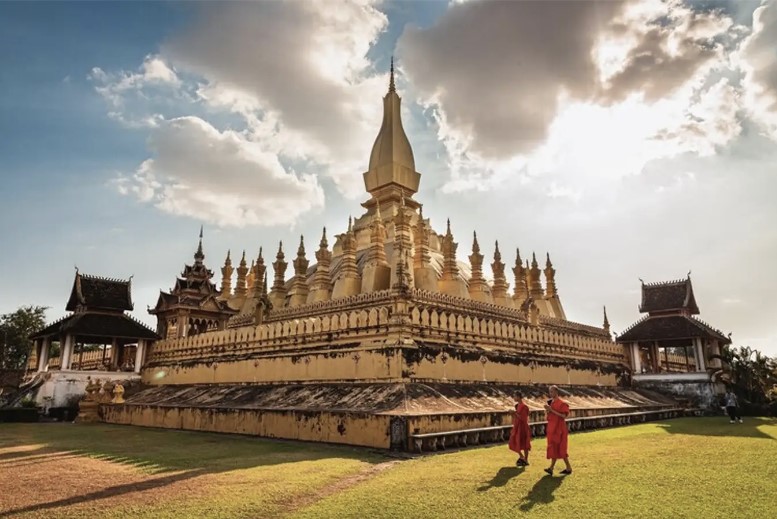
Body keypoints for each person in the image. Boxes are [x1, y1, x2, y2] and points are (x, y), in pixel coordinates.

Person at [544, 385, 572, 476]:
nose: (550, 393)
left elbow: (564, 416)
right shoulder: (551, 403)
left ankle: (568, 467)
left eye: (552, 391)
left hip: (560, 429)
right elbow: (548, 416)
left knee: (561, 448)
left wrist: (552, 410)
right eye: (549, 392)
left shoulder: (562, 403)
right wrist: (548, 410)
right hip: (552, 428)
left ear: (556, 392)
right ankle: (551, 468)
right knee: (554, 447)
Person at [509, 392, 532, 466]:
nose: (514, 398)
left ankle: (526, 459)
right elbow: (517, 416)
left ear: (519, 397)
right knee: (513, 441)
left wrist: (514, 413)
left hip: (523, 427)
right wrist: (513, 413)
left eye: (515, 396)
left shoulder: (524, 407)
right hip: (517, 426)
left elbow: (523, 418)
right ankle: (522, 457)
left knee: (525, 444)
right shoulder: (517, 406)